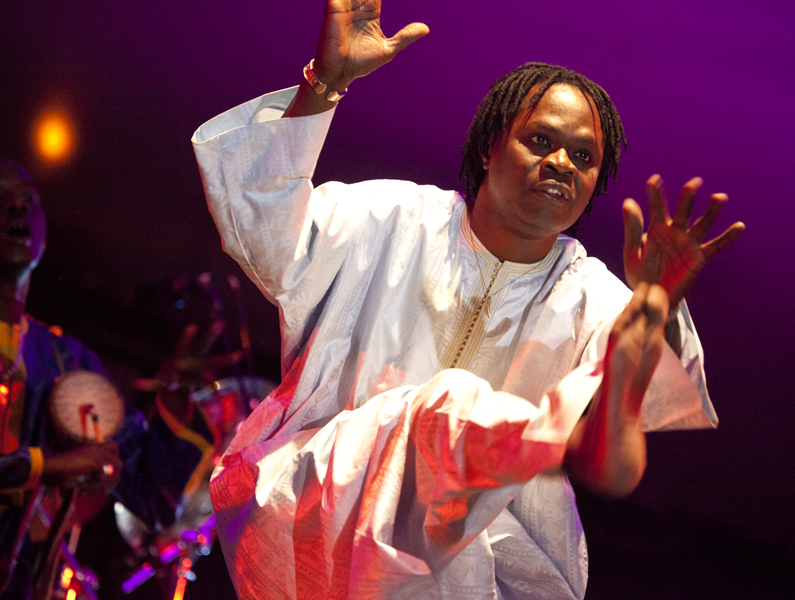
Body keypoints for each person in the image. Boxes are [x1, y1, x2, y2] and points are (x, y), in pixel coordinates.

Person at [193, 1, 744, 598]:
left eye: (583, 157)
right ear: (489, 147)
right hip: (324, 516)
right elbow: (261, 226)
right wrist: (323, 86)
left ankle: (541, 449)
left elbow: (631, 441)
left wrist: (652, 307)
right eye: (541, 140)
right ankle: (545, 443)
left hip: (481, 571)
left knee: (461, 426)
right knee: (444, 404)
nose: (561, 162)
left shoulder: (595, 299)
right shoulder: (390, 217)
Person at [0, 159, 237, 599]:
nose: (15, 208)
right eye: (1, 198)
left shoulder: (64, 361)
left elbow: (153, 494)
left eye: (27, 200)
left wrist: (177, 391)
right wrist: (48, 468)